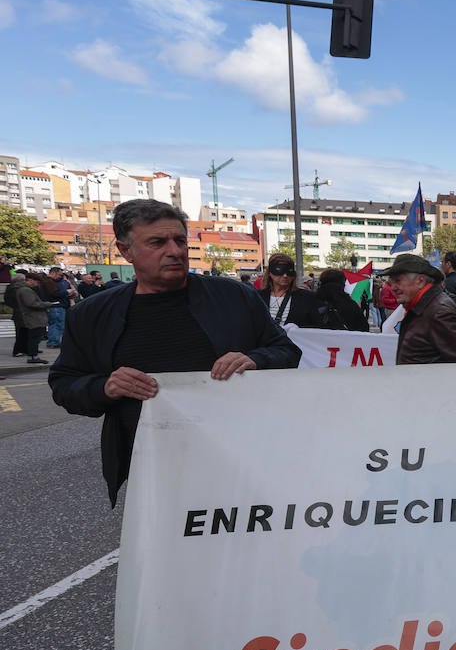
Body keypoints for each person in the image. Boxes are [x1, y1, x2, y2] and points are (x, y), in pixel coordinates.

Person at [49, 198, 301, 505]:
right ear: (125, 250)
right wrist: (105, 387)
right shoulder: (92, 314)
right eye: (157, 242)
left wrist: (256, 359)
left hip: (240, 458)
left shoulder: (234, 296)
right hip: (148, 467)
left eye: (180, 241)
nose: (174, 251)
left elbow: (286, 351)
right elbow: (64, 385)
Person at [377, 253, 456, 364]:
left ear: (420, 281)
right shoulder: (424, 308)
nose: (393, 287)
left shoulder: (439, 313)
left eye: (398, 281)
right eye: (391, 282)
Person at [258, 254, 328, 327]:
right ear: (270, 273)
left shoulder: (306, 297)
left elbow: (316, 325)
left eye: (289, 271)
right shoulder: (258, 297)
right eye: (279, 270)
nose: (285, 275)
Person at [14, 272, 58, 363]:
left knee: (35, 337)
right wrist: (47, 304)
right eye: (37, 282)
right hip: (34, 316)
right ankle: (33, 356)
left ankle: (33, 356)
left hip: (33, 316)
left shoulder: (23, 289)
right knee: (35, 337)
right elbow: (31, 303)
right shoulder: (25, 290)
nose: (37, 284)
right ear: (30, 280)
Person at [46, 267, 73, 347]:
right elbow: (53, 294)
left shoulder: (59, 281)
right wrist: (66, 292)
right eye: (60, 275)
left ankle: (54, 341)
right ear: (53, 273)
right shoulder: (48, 282)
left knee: (58, 324)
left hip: (60, 304)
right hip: (56, 305)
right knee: (57, 324)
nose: (61, 276)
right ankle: (53, 342)